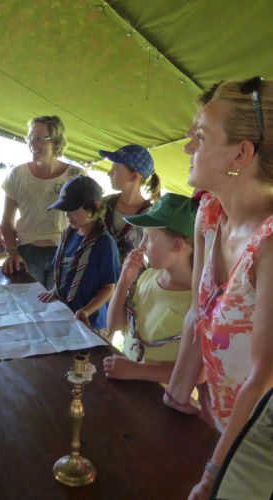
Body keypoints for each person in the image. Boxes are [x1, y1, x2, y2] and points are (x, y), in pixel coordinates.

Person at [162, 77, 273, 499]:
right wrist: (175, 398)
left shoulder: (269, 245)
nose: (187, 147)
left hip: (261, 450)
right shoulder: (210, 214)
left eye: (201, 136)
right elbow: (198, 312)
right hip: (227, 429)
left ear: (241, 154)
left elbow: (264, 377)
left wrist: (214, 474)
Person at [103, 193, 197, 382]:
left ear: (177, 245)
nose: (141, 245)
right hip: (126, 381)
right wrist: (123, 282)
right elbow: (114, 324)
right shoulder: (148, 276)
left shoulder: (197, 301)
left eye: (148, 238)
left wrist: (137, 371)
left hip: (157, 395)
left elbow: (197, 374)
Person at [1, 115, 86, 289]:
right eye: (30, 137)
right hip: (27, 253)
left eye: (39, 138)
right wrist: (12, 251)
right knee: (29, 303)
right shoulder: (17, 174)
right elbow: (7, 219)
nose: (32, 143)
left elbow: (88, 218)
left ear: (56, 141)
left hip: (65, 251)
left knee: (61, 303)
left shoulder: (76, 175)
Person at [38, 176, 120, 333]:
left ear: (95, 206)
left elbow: (108, 288)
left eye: (73, 211)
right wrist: (55, 290)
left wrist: (86, 311)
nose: (68, 216)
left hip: (90, 321)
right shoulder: (68, 235)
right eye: (66, 211)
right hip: (66, 312)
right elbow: (63, 269)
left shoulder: (104, 244)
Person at [98, 144, 161, 265]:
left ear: (133, 177)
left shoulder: (151, 216)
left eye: (115, 169)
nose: (109, 173)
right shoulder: (103, 204)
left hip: (132, 276)